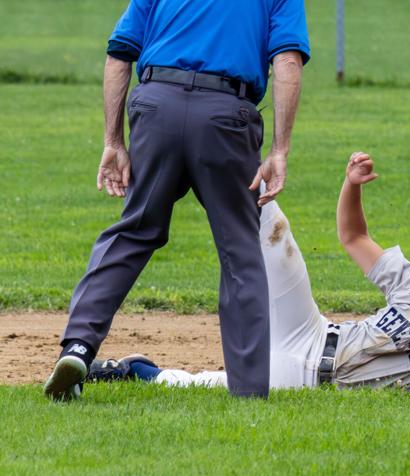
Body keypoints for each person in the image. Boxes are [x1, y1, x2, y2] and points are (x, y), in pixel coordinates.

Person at [86, 153, 410, 399]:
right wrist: (352, 185)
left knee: (193, 388)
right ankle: (203, 152)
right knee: (271, 222)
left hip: (306, 379)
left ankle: (135, 370)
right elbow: (353, 236)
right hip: (308, 329)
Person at [43, 0, 310, 401]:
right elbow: (287, 60)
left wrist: (113, 141)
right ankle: (249, 394)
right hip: (225, 117)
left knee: (134, 231)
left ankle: (78, 348)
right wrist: (280, 150)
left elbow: (119, 54)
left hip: (156, 106)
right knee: (240, 249)